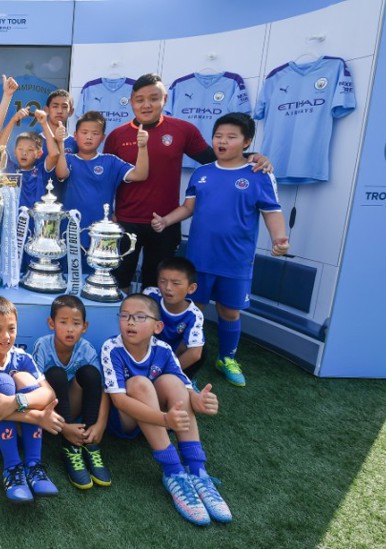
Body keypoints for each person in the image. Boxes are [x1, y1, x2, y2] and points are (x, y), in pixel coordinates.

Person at [151, 112, 289, 387]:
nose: (222, 141)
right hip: (200, 259)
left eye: (231, 137)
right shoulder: (202, 173)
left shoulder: (258, 174)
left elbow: (271, 210)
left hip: (236, 261)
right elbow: (189, 207)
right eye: (218, 136)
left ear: (247, 141)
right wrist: (166, 220)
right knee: (194, 309)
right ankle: (184, 359)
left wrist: (280, 239)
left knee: (229, 311)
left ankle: (227, 357)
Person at [104, 73, 270, 292]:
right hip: (124, 221)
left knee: (157, 286)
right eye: (140, 99)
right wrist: (110, 215)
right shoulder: (117, 136)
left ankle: (155, 325)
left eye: (153, 98)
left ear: (164, 100)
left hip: (165, 222)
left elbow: (214, 158)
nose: (146, 105)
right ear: (132, 101)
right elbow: (107, 179)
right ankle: (118, 324)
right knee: (118, 282)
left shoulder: (183, 130)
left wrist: (252, 155)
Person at [101, 294, 228, 526]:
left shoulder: (164, 350)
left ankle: (197, 470)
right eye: (125, 316)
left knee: (173, 382)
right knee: (139, 383)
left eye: (140, 317)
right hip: (127, 423)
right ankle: (173, 472)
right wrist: (164, 419)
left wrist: (197, 400)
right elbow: (119, 402)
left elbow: (185, 387)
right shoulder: (111, 347)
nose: (130, 322)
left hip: (160, 421)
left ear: (157, 326)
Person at [0, 296, 63, 503]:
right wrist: (38, 418)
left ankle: (33, 466)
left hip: (18, 431)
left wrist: (17, 401)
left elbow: (49, 394)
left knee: (23, 378)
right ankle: (12, 469)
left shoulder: (22, 357)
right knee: (1, 382)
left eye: (12, 329)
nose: (6, 336)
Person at [31, 295, 110, 490]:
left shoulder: (87, 349)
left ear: (84, 326)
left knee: (91, 374)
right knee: (55, 375)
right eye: (63, 322)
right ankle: (70, 446)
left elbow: (103, 389)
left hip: (74, 406)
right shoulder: (42, 345)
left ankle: (89, 443)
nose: (69, 328)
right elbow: (33, 389)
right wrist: (64, 427)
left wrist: (100, 425)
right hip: (52, 413)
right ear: (51, 323)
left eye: (76, 323)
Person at [56, 111, 149, 250]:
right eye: (84, 132)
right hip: (70, 230)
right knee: (70, 270)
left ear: (103, 138)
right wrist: (60, 143)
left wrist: (142, 147)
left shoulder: (110, 161)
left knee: (100, 269)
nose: (89, 137)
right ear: (75, 135)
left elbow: (140, 174)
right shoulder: (68, 159)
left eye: (95, 133)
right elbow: (61, 174)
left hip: (102, 232)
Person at [143, 257, 206, 379]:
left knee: (199, 348)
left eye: (175, 283)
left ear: (191, 288)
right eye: (162, 281)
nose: (168, 287)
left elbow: (195, 354)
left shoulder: (194, 314)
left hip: (173, 356)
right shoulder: (150, 295)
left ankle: (184, 379)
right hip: (148, 349)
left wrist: (163, 374)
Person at [0, 108, 58, 210]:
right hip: (14, 223)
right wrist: (13, 120)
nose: (24, 153)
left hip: (36, 222)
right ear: (15, 151)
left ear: (39, 154)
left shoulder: (41, 170)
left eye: (30, 150)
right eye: (20, 149)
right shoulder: (10, 170)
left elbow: (54, 154)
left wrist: (44, 123)